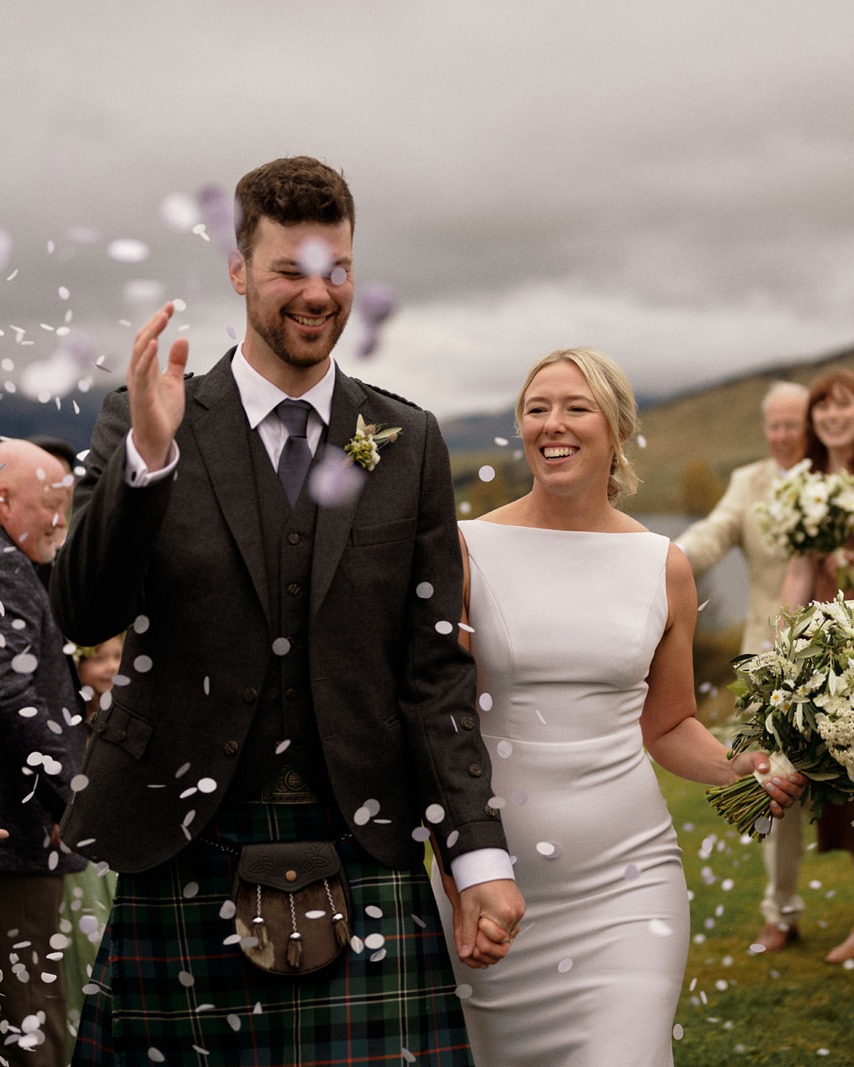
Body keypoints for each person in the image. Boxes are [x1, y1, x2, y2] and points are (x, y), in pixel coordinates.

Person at [50, 155, 524, 1065]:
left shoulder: (408, 440)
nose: (317, 294)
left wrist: (480, 855)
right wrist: (148, 466)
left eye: (336, 270)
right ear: (238, 271)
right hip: (184, 845)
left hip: (365, 838)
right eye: (289, 270)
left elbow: (434, 670)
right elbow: (84, 608)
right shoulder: (145, 417)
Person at [430, 348, 804, 1066]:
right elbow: (440, 723)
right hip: (494, 887)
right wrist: (459, 871)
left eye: (575, 407)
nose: (552, 423)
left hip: (627, 884)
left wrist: (743, 764)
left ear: (619, 429)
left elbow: (666, 724)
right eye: (536, 408)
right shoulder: (466, 549)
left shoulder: (663, 564)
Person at [676, 380, 810, 953]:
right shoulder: (747, 483)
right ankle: (780, 914)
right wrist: (667, 560)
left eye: (793, 424)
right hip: (771, 658)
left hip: (842, 652)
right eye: (774, 425)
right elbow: (714, 534)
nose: (782, 436)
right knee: (775, 787)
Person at [0, 439, 88, 1064]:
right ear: (3, 502)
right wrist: (72, 796)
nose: (62, 522)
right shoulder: (4, 568)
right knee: (32, 1012)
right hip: (20, 833)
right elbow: (10, 695)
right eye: (51, 506)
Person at [778, 367, 854, 965]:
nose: (833, 415)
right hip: (832, 655)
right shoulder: (804, 484)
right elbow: (799, 574)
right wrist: (784, 648)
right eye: (823, 407)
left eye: (845, 404)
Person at [59, 637, 123, 1056]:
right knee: (83, 932)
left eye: (117, 656)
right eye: (98, 658)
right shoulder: (69, 720)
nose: (110, 667)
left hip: (115, 845)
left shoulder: (123, 711)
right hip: (80, 846)